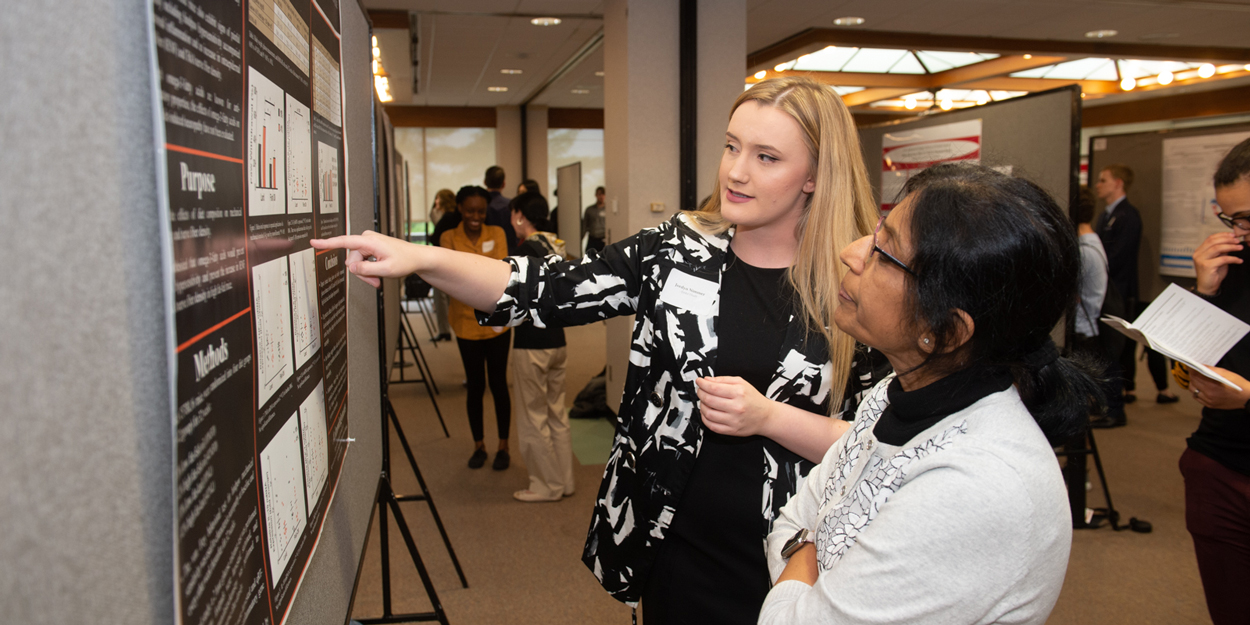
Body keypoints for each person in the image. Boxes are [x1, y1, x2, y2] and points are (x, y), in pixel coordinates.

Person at [311, 77, 889, 622]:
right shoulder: (677, 251)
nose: (736, 172)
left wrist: (770, 417)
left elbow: (885, 438)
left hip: (794, 553)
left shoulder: (859, 282)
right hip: (672, 542)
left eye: (767, 157)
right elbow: (546, 291)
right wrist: (425, 259)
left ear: (814, 175)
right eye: (732, 146)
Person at [761, 163, 1097, 624]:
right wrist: (809, 551)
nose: (851, 253)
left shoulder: (974, 486)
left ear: (945, 331)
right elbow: (788, 521)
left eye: (884, 252)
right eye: (877, 231)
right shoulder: (895, 393)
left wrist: (807, 551)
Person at [1178, 137, 1250, 625]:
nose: (1239, 233)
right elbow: (1186, 370)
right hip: (1218, 464)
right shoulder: (1232, 267)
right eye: (1231, 220)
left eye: (1247, 218)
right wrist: (1203, 293)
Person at [507, 191, 575, 502]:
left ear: (520, 215)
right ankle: (565, 481)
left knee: (533, 416)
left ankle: (546, 486)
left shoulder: (525, 251)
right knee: (556, 413)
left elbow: (510, 298)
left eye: (513, 215)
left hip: (531, 344)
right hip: (557, 341)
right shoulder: (556, 247)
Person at [440, 185, 512, 471]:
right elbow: (449, 279)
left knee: (499, 384)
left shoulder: (497, 234)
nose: (475, 216)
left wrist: (471, 278)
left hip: (497, 324)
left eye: (481, 211)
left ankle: (503, 446)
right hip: (465, 323)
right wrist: (481, 277)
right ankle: (479, 445)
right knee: (475, 386)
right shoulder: (448, 238)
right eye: (470, 210)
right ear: (460, 209)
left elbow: (503, 274)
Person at [1095, 164, 1178, 407]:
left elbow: (1117, 257)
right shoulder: (1104, 216)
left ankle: (1118, 398)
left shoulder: (1128, 216)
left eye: (1103, 180)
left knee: (1119, 346)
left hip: (1119, 291)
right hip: (1106, 290)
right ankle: (1126, 389)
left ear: (1118, 183)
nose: (1098, 185)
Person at [1073, 187, 1127, 429]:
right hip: (1095, 319)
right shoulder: (1093, 240)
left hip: (1089, 323)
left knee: (1104, 368)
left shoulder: (1083, 250)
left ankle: (1113, 412)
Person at [428, 188, 458, 342]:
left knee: (440, 297)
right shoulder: (458, 216)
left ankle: (444, 330)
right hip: (457, 260)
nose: (435, 202)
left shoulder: (445, 218)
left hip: (443, 260)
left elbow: (435, 238)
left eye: (437, 199)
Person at [484, 165, 517, 254]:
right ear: (503, 184)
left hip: (484, 253)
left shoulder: (481, 206)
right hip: (509, 252)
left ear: (485, 182)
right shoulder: (512, 205)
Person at [584, 185, 607, 253]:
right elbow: (585, 225)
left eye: (603, 194)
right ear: (596, 195)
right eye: (599, 194)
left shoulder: (607, 210)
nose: (601, 197)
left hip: (603, 239)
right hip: (592, 239)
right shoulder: (589, 210)